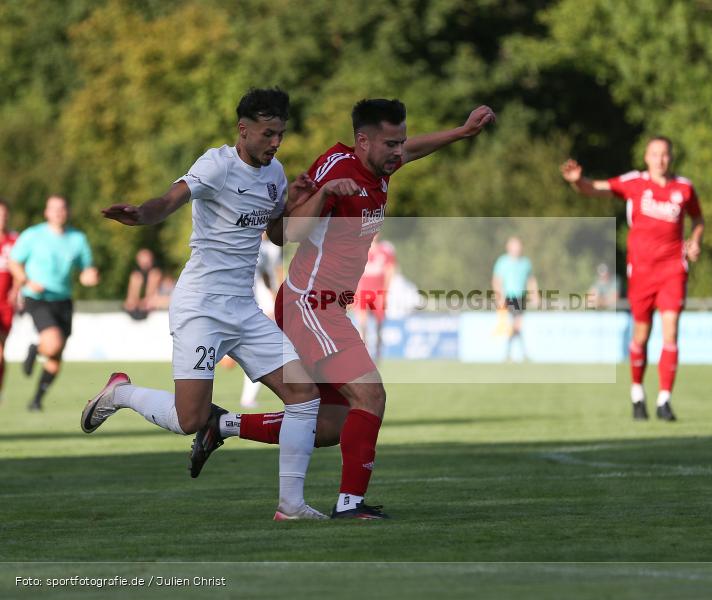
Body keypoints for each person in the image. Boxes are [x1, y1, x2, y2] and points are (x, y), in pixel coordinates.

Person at [191, 98, 496, 520]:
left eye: (401, 143)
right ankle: (350, 505)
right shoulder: (338, 170)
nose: (399, 151)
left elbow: (414, 148)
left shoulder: (379, 164)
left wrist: (460, 133)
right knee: (370, 395)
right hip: (310, 305)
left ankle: (221, 425)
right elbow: (288, 232)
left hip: (327, 306)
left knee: (330, 425)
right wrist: (324, 193)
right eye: (391, 144)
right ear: (362, 140)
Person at [80, 87, 327, 521]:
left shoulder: (275, 174)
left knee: (304, 393)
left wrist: (296, 203)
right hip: (200, 307)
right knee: (189, 419)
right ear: (243, 129)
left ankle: (291, 506)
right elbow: (170, 199)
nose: (275, 142)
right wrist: (143, 214)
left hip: (244, 310)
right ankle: (121, 392)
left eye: (280, 134)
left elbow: (274, 234)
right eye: (268, 133)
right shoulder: (216, 164)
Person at [561, 136, 704, 421]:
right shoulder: (635, 183)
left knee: (671, 329)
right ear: (646, 157)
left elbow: (698, 219)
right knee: (641, 336)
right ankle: (637, 393)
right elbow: (593, 189)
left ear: (671, 157)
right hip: (641, 271)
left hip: (673, 269)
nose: (660, 159)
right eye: (655, 154)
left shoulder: (684, 188)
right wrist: (578, 181)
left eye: (665, 154)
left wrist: (695, 241)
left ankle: (665, 400)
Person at [9, 195, 99, 411]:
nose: (58, 212)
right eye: (54, 208)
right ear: (46, 212)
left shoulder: (77, 238)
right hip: (37, 297)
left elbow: (87, 267)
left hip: (63, 300)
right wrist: (27, 280)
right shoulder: (33, 235)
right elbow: (14, 262)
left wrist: (89, 275)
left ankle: (37, 399)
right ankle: (36, 347)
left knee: (56, 356)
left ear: (68, 211)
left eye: (62, 208)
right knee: (53, 343)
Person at [238, 231, 283, 408]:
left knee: (259, 353)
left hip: (258, 306)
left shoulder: (266, 250)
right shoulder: (243, 244)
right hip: (248, 307)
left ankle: (248, 398)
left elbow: (267, 276)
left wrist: (274, 298)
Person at [491, 236, 538, 361]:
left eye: (518, 246)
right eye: (514, 246)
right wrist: (499, 296)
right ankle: (519, 354)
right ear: (509, 247)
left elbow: (531, 280)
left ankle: (510, 354)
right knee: (516, 325)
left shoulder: (525, 262)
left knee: (516, 326)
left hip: (521, 298)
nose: (517, 248)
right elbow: (497, 280)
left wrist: (534, 295)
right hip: (508, 297)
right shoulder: (503, 261)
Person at [355, 233, 396, 362]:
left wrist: (385, 291)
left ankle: (378, 352)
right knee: (363, 324)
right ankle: (364, 353)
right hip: (362, 292)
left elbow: (390, 271)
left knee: (379, 325)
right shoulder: (360, 250)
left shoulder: (385, 251)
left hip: (378, 293)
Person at [0, 199, 19, 404]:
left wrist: (17, 289)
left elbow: (22, 268)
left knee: (1, 353)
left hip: (6, 305)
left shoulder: (15, 241)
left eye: (4, 215)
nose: (1, 219)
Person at [123, 248, 163, 320]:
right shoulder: (136, 276)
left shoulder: (155, 273)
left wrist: (142, 303)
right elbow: (131, 299)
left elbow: (150, 297)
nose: (145, 264)